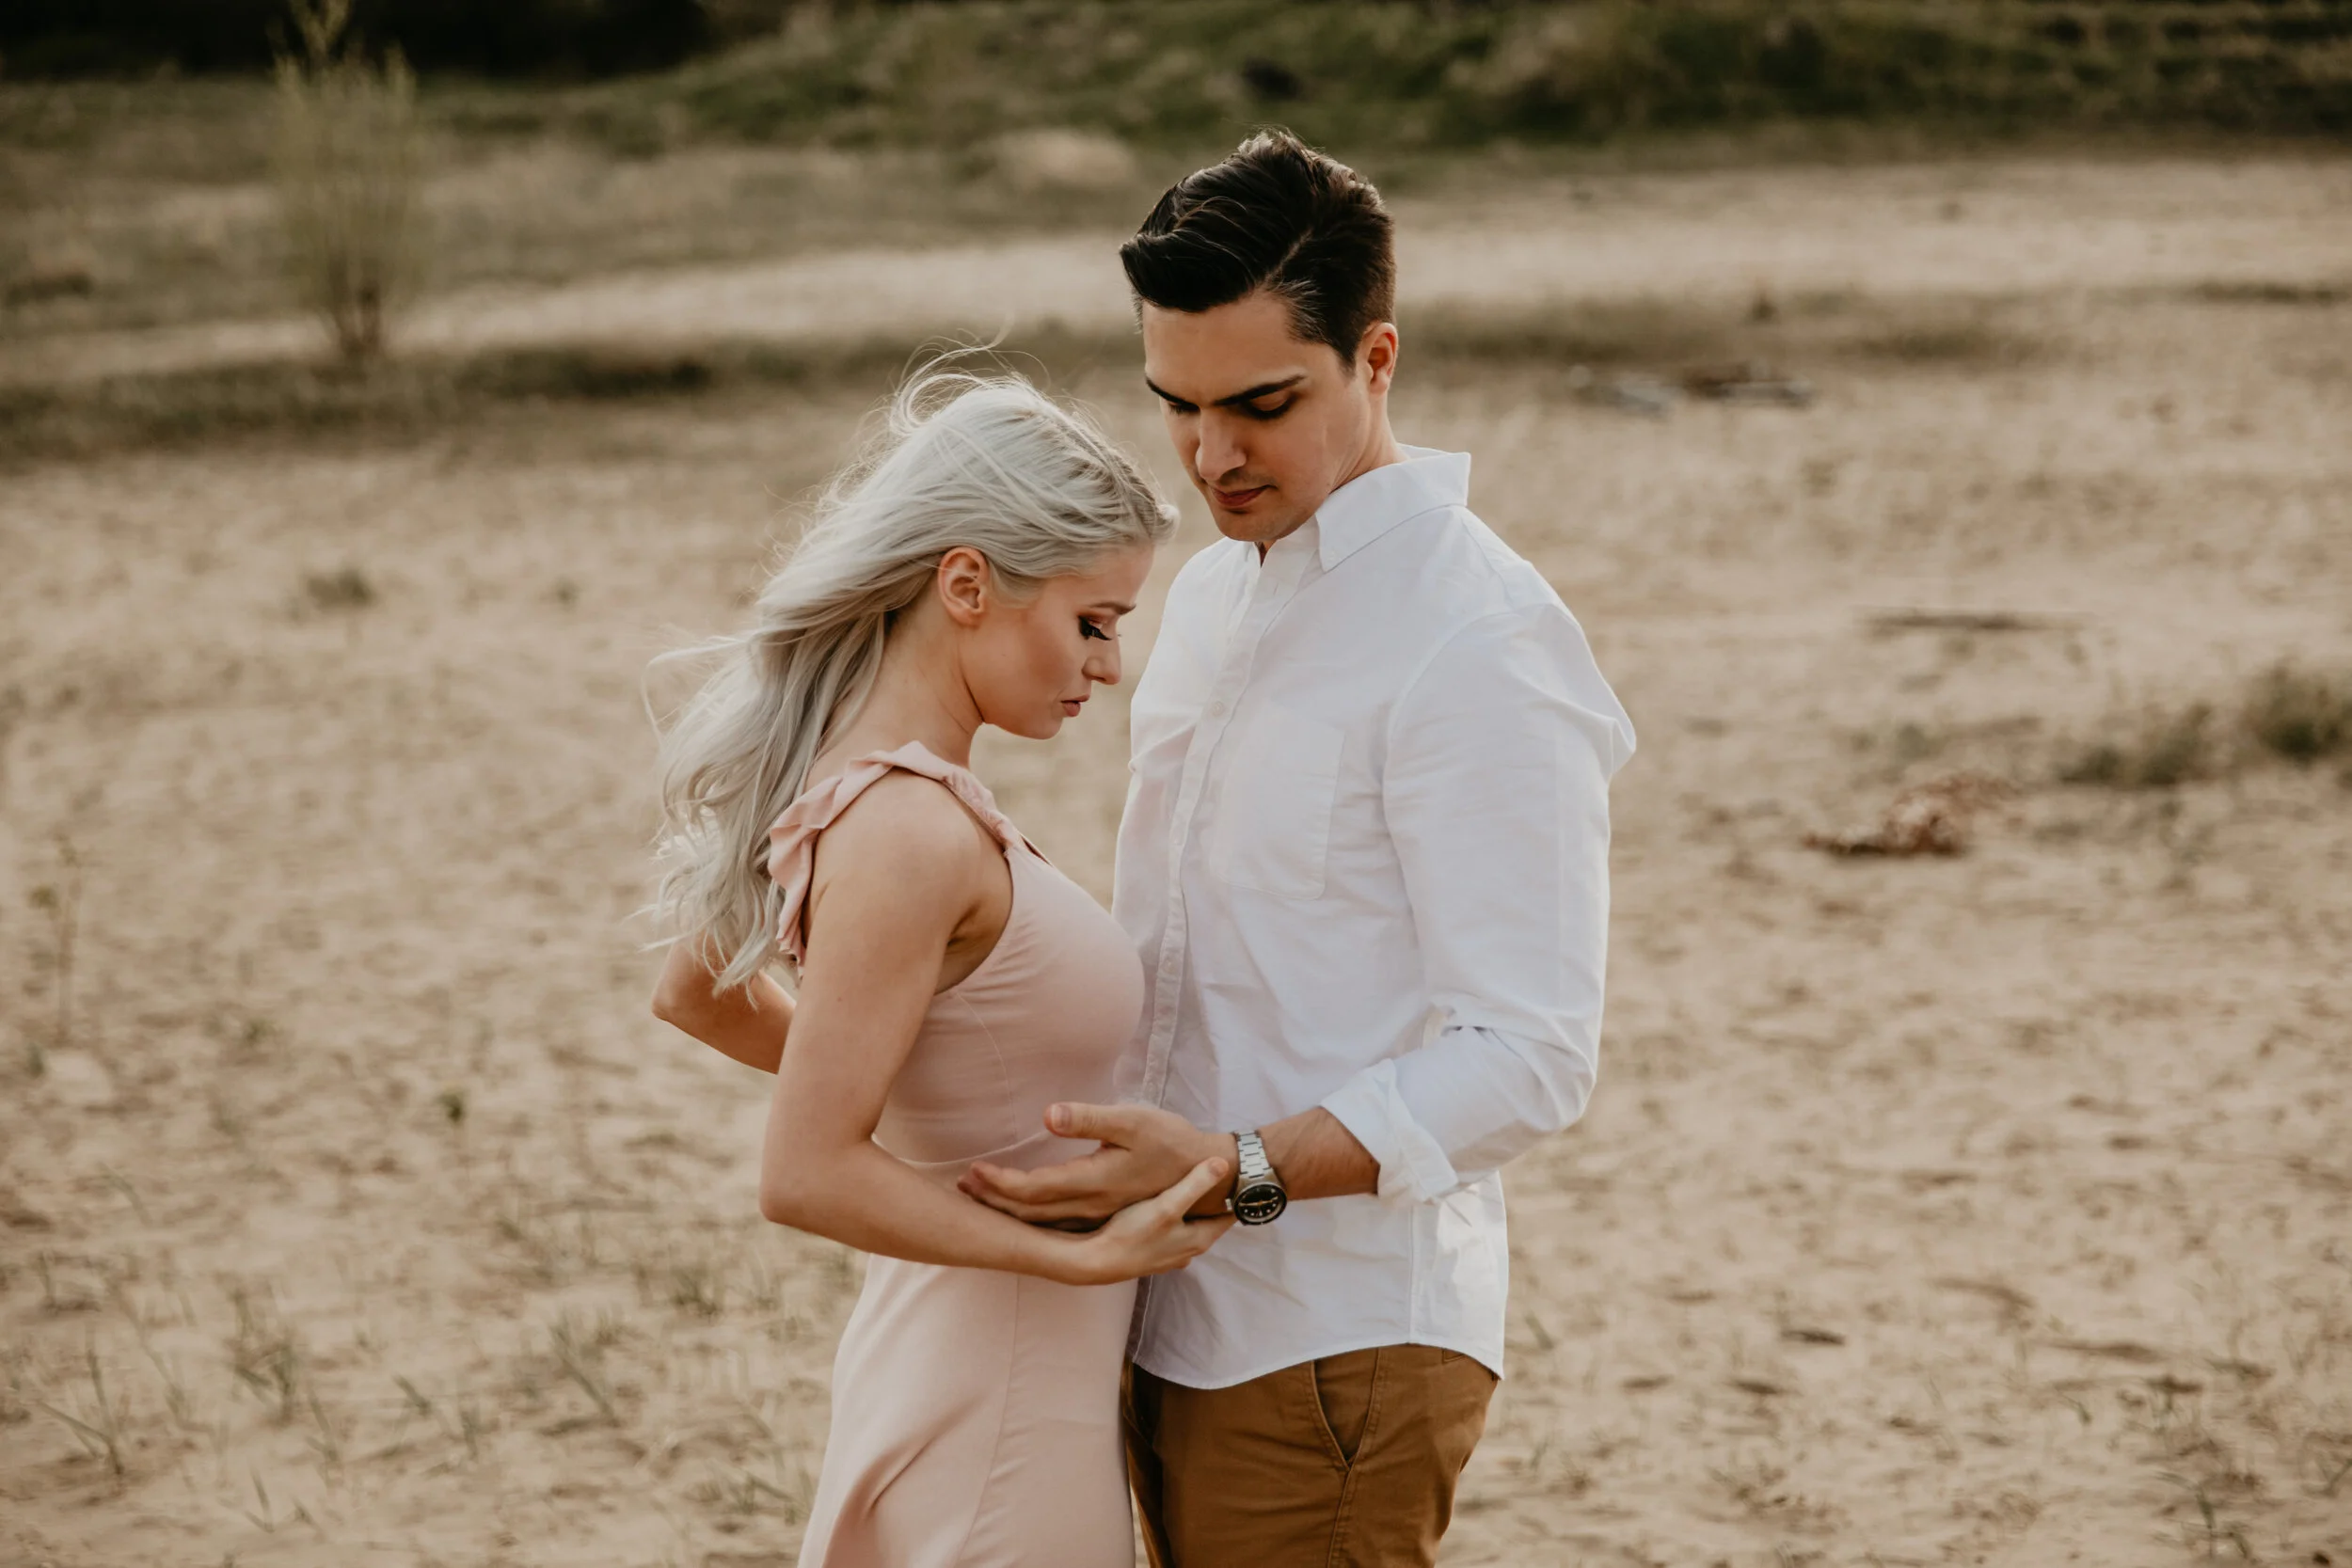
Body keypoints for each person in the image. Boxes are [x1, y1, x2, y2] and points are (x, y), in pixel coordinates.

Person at [959, 131, 1638, 1566]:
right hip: (1151, 1307)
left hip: (1337, 1336)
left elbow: (1529, 1050)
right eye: (1179, 406)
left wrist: (1238, 1166)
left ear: (1375, 359)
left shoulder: (1481, 639)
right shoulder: (1204, 599)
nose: (1212, 454)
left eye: (1262, 403)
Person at [647, 370, 1232, 1568]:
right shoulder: (909, 827)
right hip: (1001, 1387)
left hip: (976, 1359)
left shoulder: (865, 788)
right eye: (1093, 620)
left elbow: (695, 989)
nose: (1110, 665)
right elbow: (804, 1170)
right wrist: (1064, 1246)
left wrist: (929, 1106)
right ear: (966, 584)